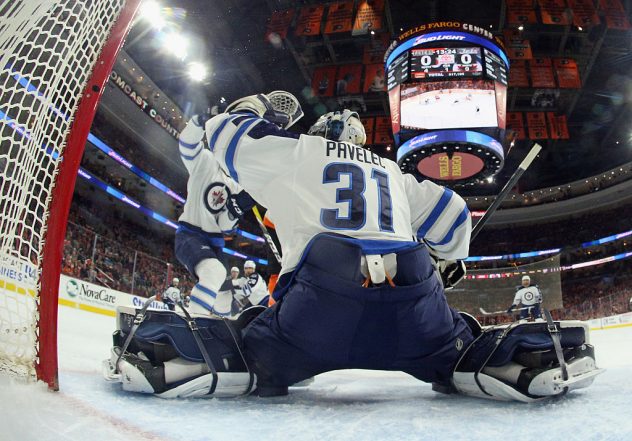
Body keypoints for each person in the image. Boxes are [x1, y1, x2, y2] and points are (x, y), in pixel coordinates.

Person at [108, 92, 600, 401]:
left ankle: (177, 355)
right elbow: (452, 218)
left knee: (252, 342)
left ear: (320, 133)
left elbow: (222, 135)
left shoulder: (298, 151)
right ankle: (516, 361)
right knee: (459, 346)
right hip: (413, 308)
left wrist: (254, 108)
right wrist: (442, 261)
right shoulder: (393, 172)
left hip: (318, 310)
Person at [174, 112, 255, 317]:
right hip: (190, 235)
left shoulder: (236, 185)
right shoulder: (205, 160)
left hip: (215, 244)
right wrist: (197, 122)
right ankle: (194, 325)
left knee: (225, 297)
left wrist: (238, 207)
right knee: (214, 273)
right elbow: (187, 145)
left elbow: (226, 227)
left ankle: (220, 334)